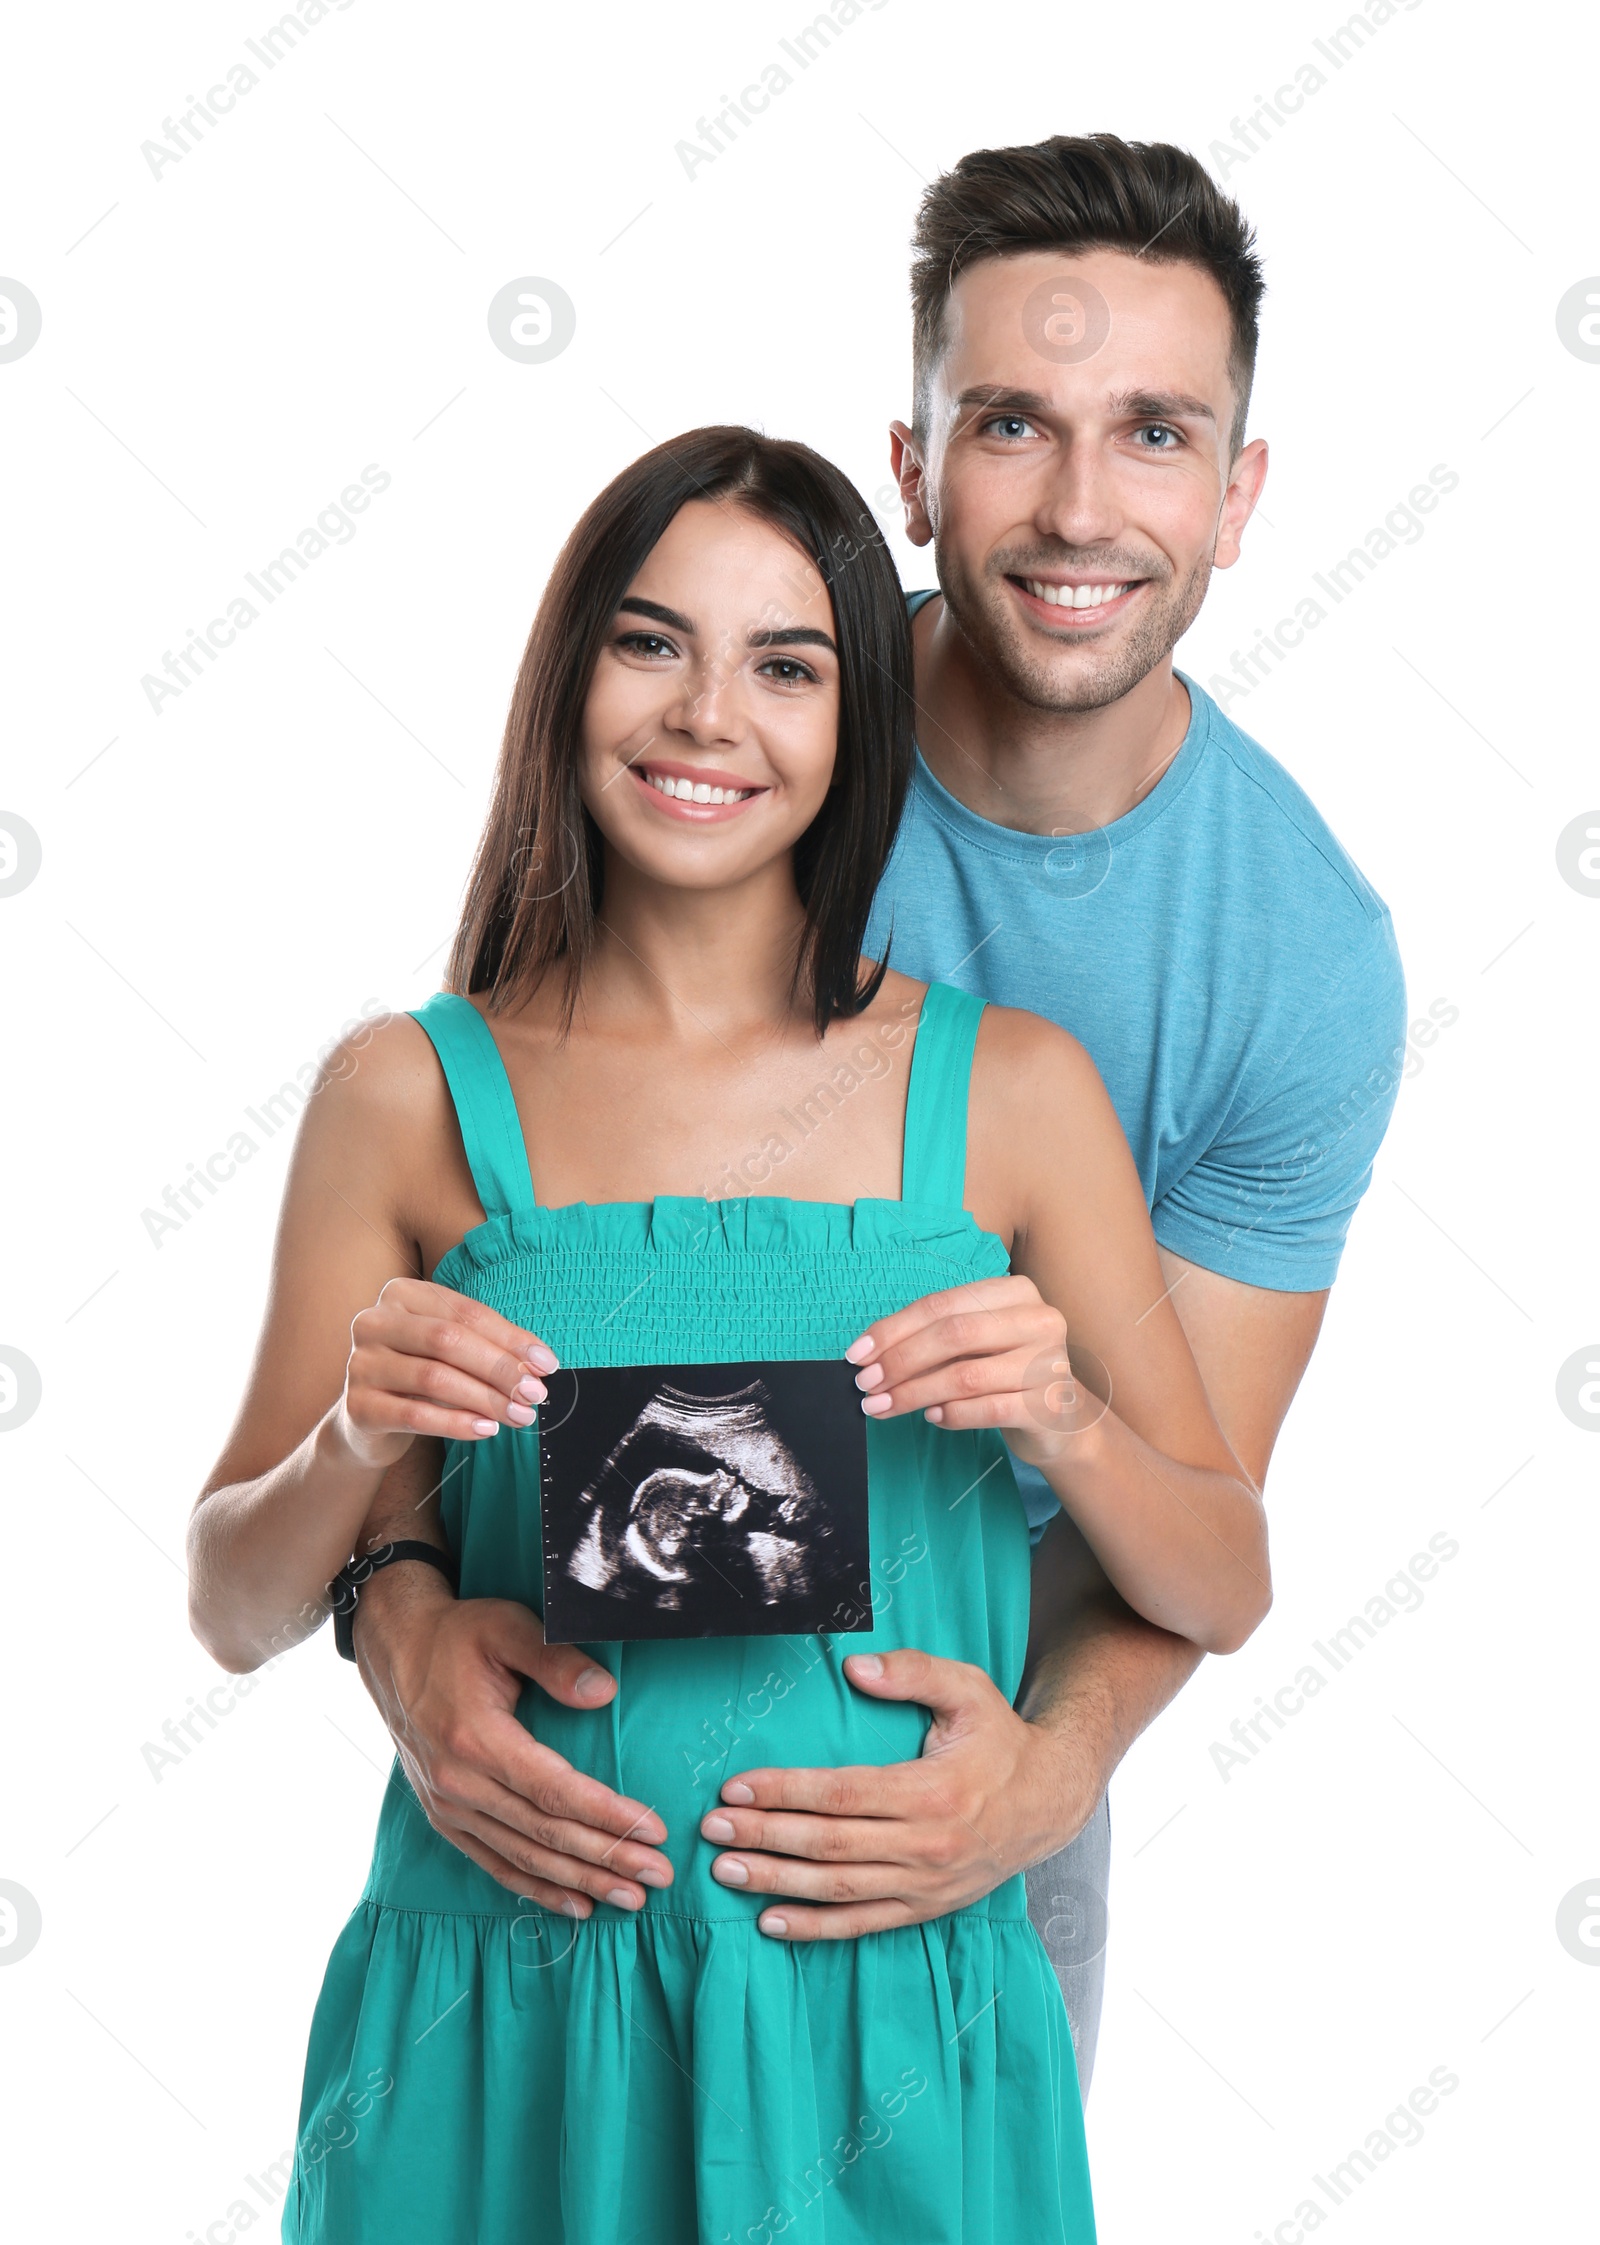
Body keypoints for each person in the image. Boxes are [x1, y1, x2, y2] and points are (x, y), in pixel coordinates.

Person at [331, 134, 1408, 2097]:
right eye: (1008, 422)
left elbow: (1181, 1523)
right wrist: (390, 1610)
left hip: (957, 1724)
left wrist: (1038, 1778)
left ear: (1239, 494)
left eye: (1153, 432)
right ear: (908, 468)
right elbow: (460, 1228)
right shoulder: (723, 755)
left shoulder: (1298, 963)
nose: (1079, 506)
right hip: (576, 1723)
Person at [187, 426, 1270, 2242]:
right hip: (499, 2012)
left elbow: (1225, 1577)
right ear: (567, 674)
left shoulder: (1006, 1093)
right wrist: (357, 1448)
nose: (709, 715)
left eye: (787, 665)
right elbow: (230, 1603)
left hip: (890, 2023)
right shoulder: (406, 1094)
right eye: (649, 641)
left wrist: (1068, 1418)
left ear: (860, 727)